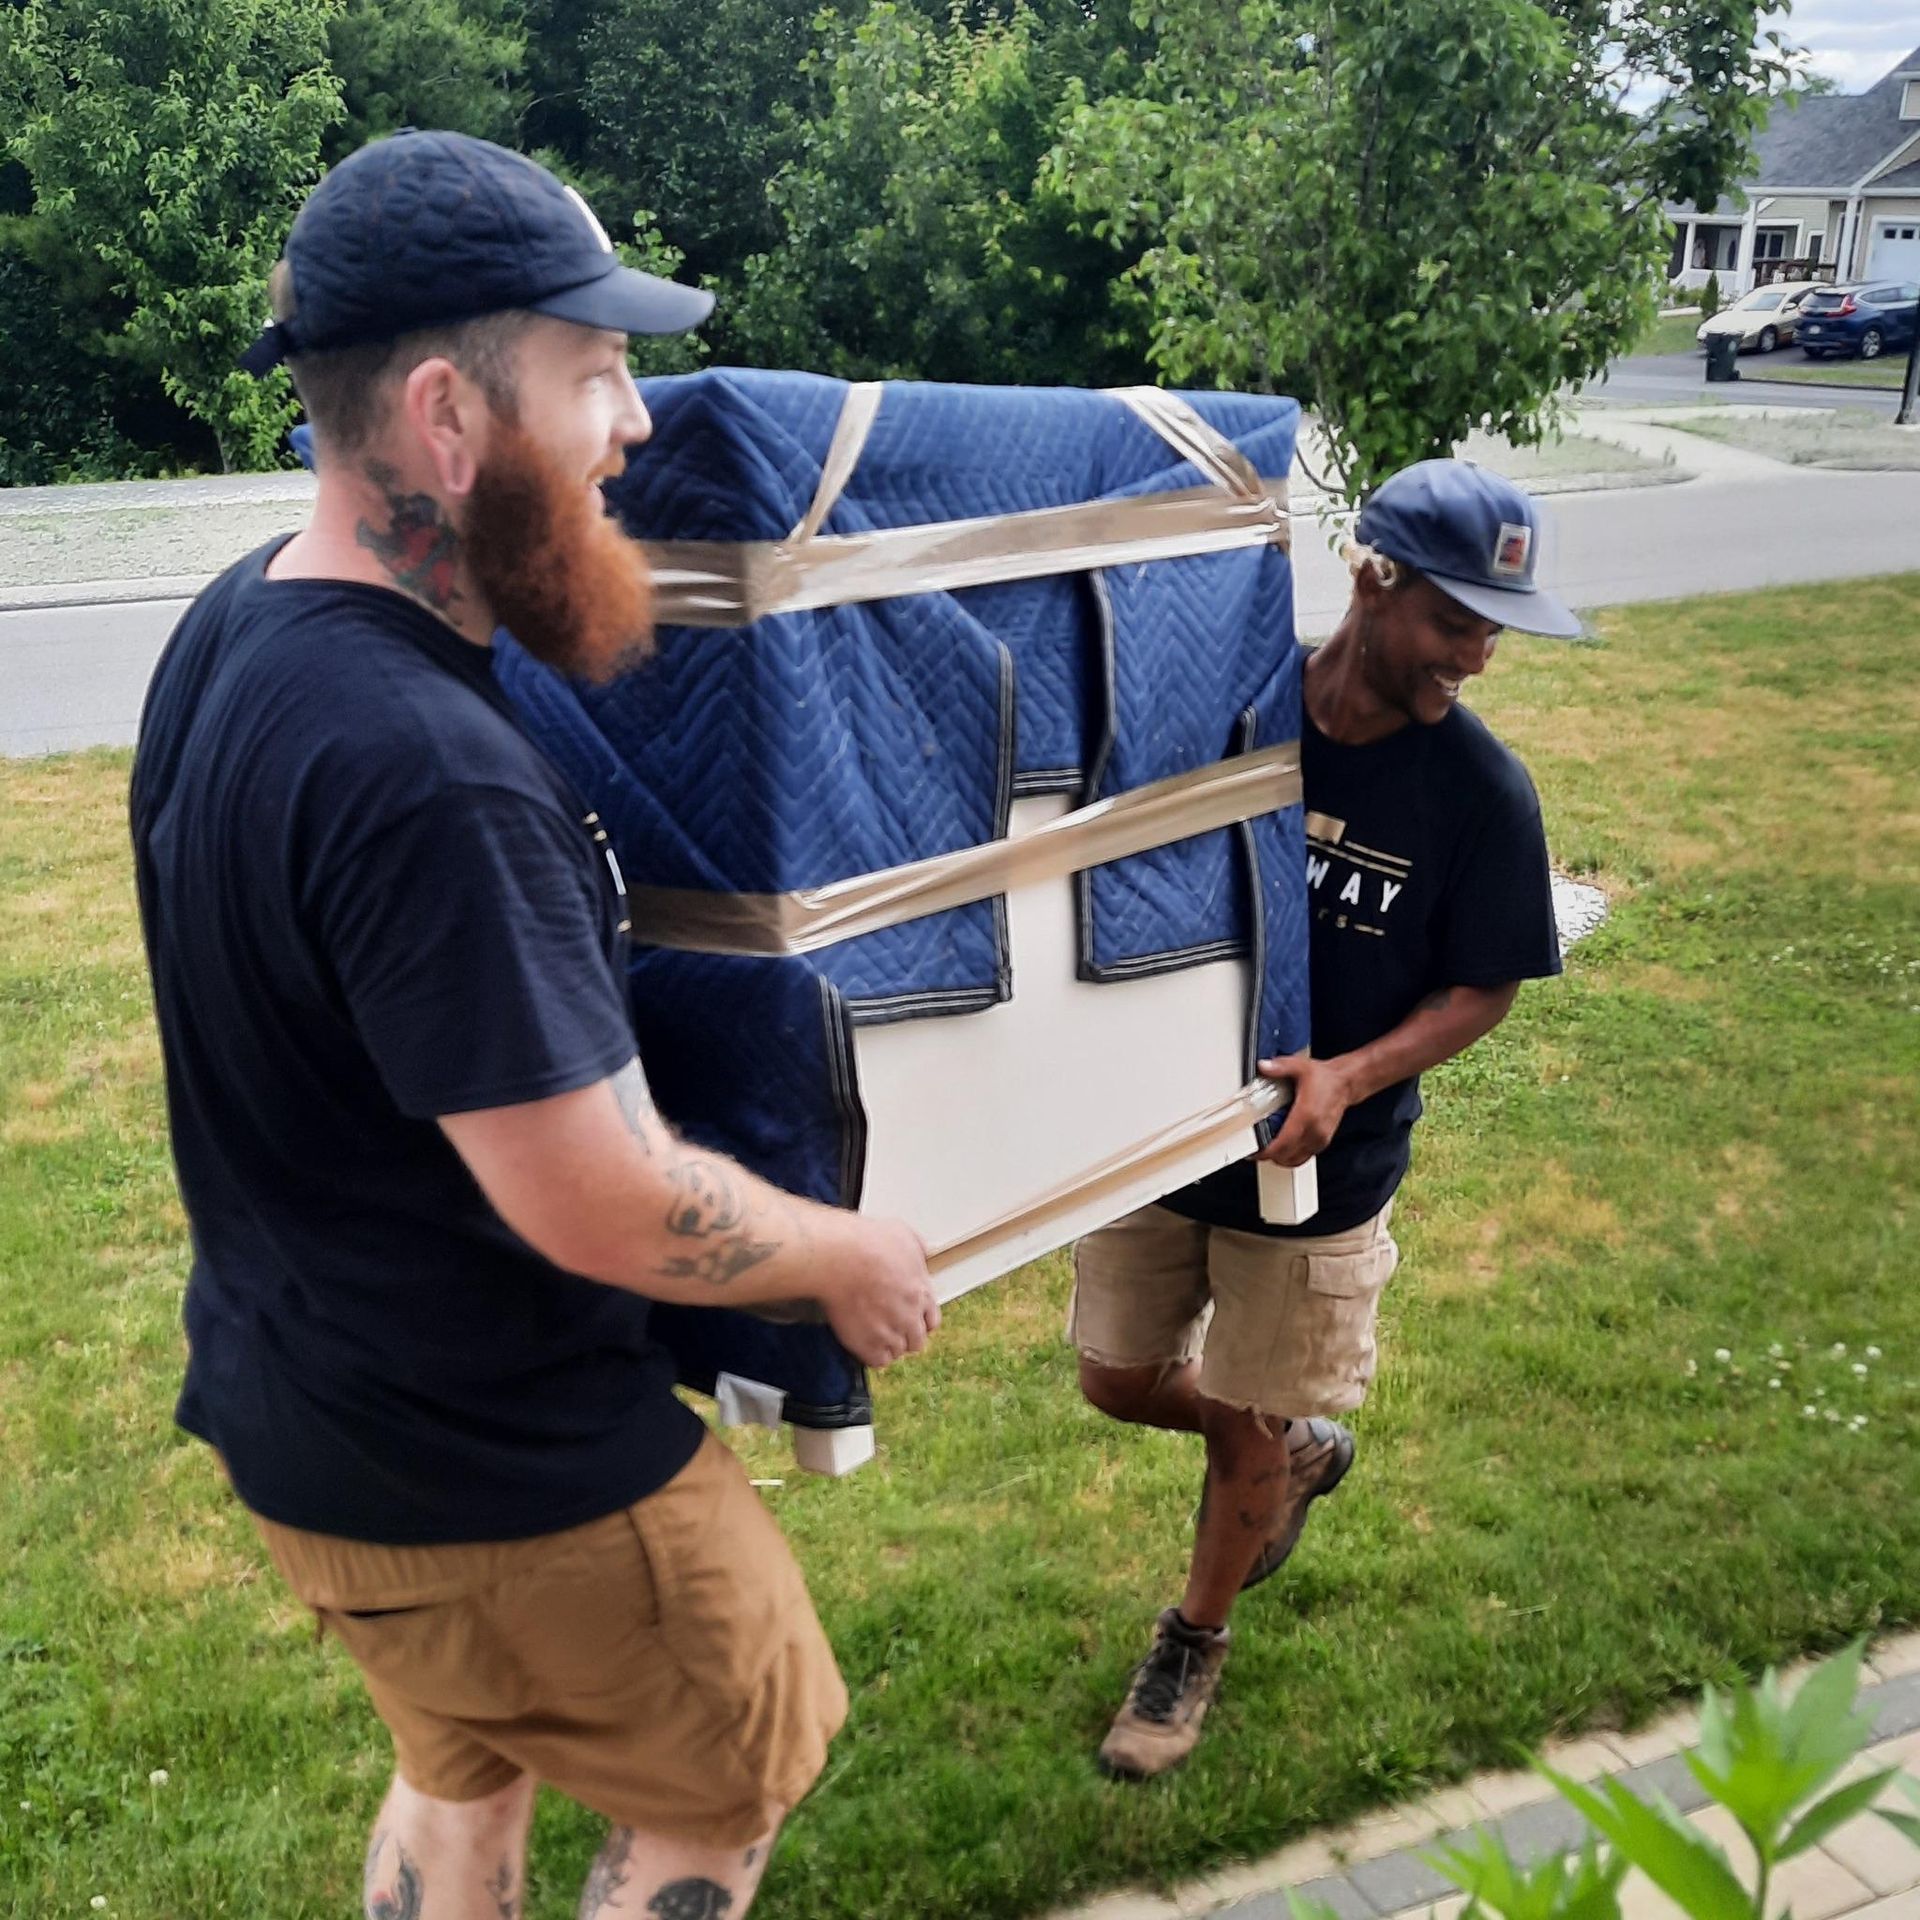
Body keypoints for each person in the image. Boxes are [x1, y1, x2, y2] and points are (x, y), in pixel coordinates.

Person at [130, 130, 941, 1920]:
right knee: (731, 1782)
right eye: (594, 373)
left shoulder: (232, 635)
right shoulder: (429, 777)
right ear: (445, 417)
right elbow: (604, 1199)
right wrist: (845, 1255)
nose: (635, 424)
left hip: (313, 1429)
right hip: (511, 1470)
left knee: (461, 1773)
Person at [1069, 460, 1578, 1779]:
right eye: (1457, 620)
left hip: (1321, 1167)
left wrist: (1351, 1073)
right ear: (1373, 576)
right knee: (1115, 1379)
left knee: (1241, 1404)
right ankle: (1293, 1453)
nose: (1477, 654)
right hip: (1169, 1126)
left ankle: (1194, 1639)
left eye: (1493, 628)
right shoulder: (1238, 715)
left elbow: (1486, 985)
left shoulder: (1480, 791)